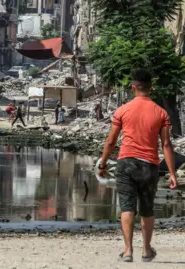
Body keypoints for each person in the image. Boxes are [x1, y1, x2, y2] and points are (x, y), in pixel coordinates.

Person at [98, 68, 177, 263]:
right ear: (151, 88)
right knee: (147, 209)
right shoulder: (161, 112)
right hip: (149, 165)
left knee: (127, 207)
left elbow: (111, 141)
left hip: (126, 164)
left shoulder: (123, 110)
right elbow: (166, 144)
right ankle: (146, 251)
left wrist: (103, 163)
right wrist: (173, 173)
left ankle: (127, 251)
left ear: (133, 88)